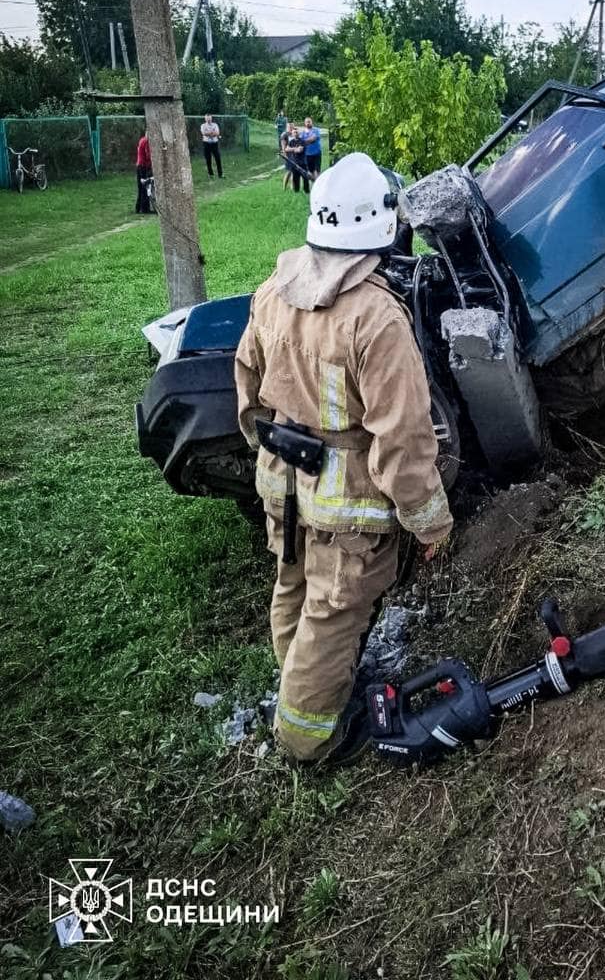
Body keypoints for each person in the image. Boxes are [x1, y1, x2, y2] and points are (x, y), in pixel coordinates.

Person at [235, 152, 453, 763]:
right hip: (347, 498)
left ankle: (302, 688)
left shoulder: (274, 290)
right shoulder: (376, 317)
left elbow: (246, 385)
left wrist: (266, 446)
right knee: (334, 608)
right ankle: (309, 736)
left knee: (294, 584)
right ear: (381, 226)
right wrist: (430, 522)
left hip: (282, 479)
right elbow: (404, 439)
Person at [281, 122, 308, 193]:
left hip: (293, 156)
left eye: (292, 127)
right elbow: (284, 148)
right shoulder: (284, 135)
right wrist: (286, 154)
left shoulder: (292, 134)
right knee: (288, 172)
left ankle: (293, 188)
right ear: (287, 127)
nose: (291, 128)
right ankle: (284, 188)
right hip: (288, 156)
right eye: (290, 127)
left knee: (293, 172)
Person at [134, 131, 152, 214]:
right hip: (143, 166)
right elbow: (148, 155)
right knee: (145, 186)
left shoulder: (142, 140)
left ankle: (138, 208)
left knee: (141, 187)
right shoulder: (146, 141)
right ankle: (144, 208)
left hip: (139, 165)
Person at [201, 113, 223, 178]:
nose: (208, 120)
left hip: (214, 144)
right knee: (208, 159)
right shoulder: (203, 125)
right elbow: (204, 133)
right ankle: (211, 174)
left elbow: (217, 133)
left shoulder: (215, 125)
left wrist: (209, 133)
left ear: (211, 118)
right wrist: (212, 132)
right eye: (207, 119)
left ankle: (220, 174)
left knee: (218, 158)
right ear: (205, 119)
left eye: (209, 119)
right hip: (206, 144)